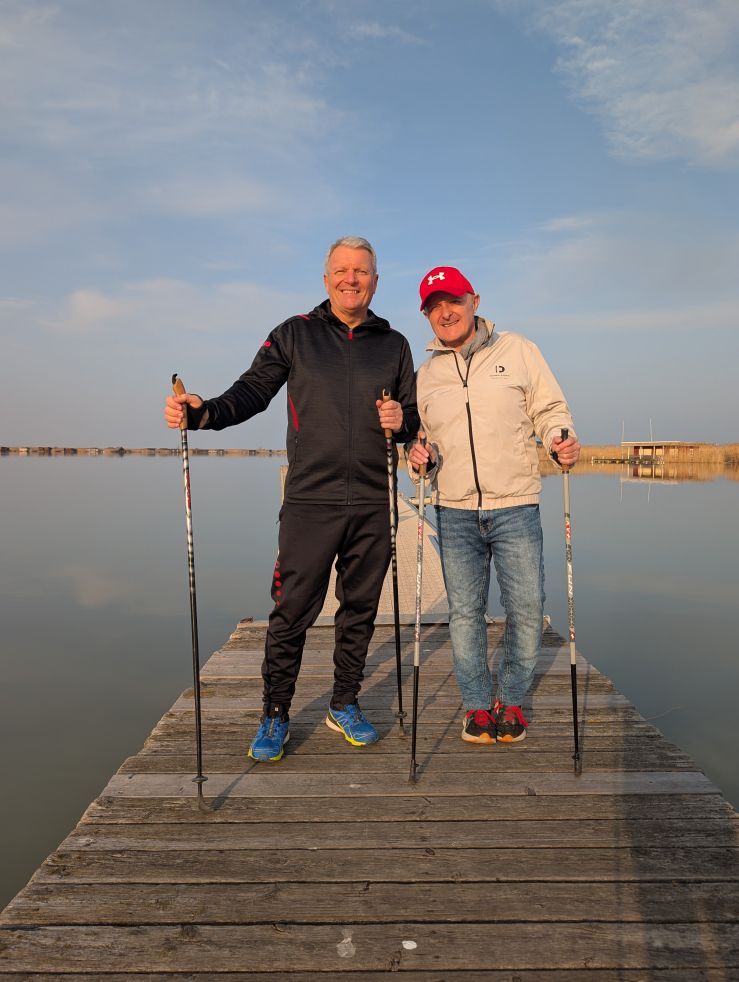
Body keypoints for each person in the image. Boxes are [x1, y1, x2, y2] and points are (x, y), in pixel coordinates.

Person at [164, 236, 419, 761]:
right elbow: (251, 392)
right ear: (326, 279)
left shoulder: (393, 345)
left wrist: (402, 425)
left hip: (374, 501)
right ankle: (276, 713)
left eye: (363, 271)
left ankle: (343, 702)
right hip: (310, 501)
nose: (353, 279)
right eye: (343, 270)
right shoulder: (295, 334)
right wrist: (203, 412)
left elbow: (412, 421)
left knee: (360, 611)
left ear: (376, 280)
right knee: (292, 612)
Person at [407, 265, 580, 745]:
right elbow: (420, 444)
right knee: (465, 613)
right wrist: (417, 459)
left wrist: (558, 438)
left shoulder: (519, 351)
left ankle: (513, 699)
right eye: (434, 305)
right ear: (426, 315)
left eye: (453, 300)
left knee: (526, 608)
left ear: (474, 301)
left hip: (516, 505)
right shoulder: (425, 376)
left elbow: (550, 411)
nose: (445, 311)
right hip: (455, 509)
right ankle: (479, 706)